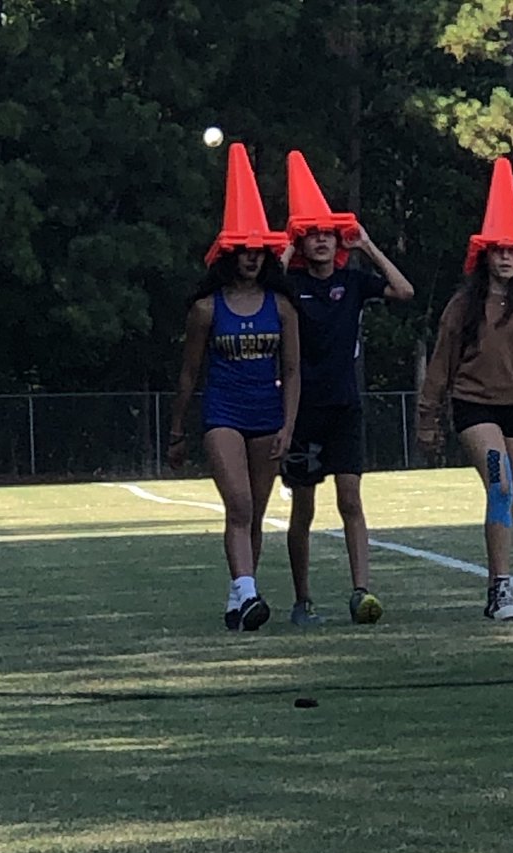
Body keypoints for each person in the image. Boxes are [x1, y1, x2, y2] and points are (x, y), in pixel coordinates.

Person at [416, 157, 513, 621]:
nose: (505, 257)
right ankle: (503, 589)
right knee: (500, 486)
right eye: (498, 250)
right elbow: (440, 365)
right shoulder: (463, 305)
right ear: (484, 255)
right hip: (474, 407)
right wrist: (427, 418)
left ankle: (494, 585)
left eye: (512, 251)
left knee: (506, 498)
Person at [168, 143, 300, 632]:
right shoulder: (207, 309)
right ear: (228, 253)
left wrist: (288, 426)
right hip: (223, 412)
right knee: (239, 504)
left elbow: (293, 370)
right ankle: (248, 592)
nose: (251, 257)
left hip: (267, 413)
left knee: (255, 514)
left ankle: (239, 597)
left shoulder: (281, 307)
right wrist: (177, 432)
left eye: (258, 250)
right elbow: (189, 373)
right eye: (243, 250)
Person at [280, 150, 414, 627]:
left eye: (327, 233)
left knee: (350, 500)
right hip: (302, 411)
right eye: (312, 233)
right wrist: (288, 245)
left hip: (344, 407)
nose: (321, 240)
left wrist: (367, 246)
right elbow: (267, 283)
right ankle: (302, 600)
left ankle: (361, 592)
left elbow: (404, 292)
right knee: (303, 508)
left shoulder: (352, 282)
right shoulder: (290, 284)